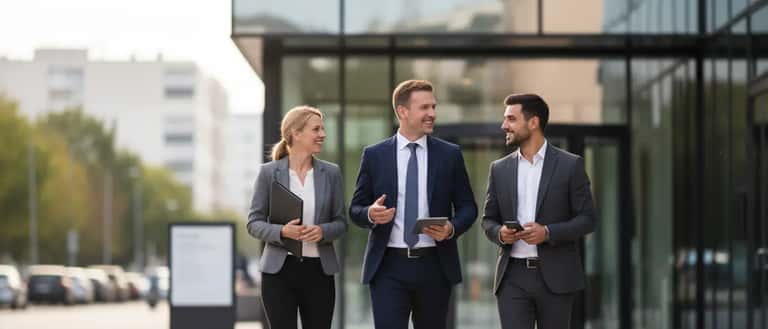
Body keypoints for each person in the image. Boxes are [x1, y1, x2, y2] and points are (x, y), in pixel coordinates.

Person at [349, 79, 478, 329]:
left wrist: (451, 228)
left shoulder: (450, 154)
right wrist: (370, 214)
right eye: (424, 108)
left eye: (433, 107)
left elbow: (468, 207)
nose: (432, 114)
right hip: (388, 266)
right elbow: (355, 209)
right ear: (402, 111)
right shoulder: (375, 155)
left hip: (434, 265)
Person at [481, 94, 596, 329]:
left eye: (511, 119)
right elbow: (488, 220)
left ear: (533, 122)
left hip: (556, 277)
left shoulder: (570, 165)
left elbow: (587, 220)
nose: (504, 125)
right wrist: (501, 233)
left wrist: (548, 233)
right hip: (512, 276)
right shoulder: (499, 169)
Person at [247, 105, 347, 329]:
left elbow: (341, 223)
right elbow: (253, 223)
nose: (323, 134)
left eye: (323, 129)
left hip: (319, 271)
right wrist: (282, 231)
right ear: (296, 133)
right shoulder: (268, 173)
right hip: (278, 273)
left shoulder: (331, 173)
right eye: (316, 129)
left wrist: (323, 231)